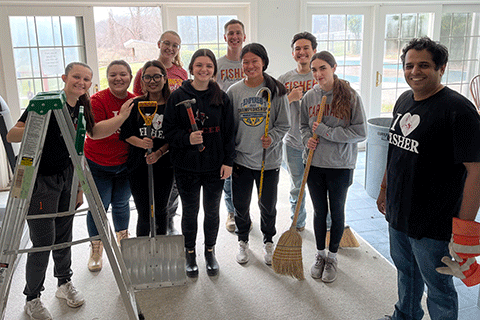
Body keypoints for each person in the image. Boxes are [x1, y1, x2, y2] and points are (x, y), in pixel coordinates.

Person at [7, 61, 133, 320]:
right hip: (41, 180)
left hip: (68, 177)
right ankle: (33, 297)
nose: (82, 82)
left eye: (87, 79)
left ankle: (64, 284)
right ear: (65, 77)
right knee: (43, 241)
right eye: (77, 77)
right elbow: (12, 135)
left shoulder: (84, 105)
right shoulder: (46, 102)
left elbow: (95, 133)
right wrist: (37, 124)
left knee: (64, 235)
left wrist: (120, 118)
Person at [376, 37, 480, 320]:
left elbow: (476, 171)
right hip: (398, 213)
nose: (415, 71)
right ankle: (405, 315)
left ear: (441, 68)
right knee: (406, 273)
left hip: (434, 220)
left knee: (438, 287)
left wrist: (464, 229)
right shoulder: (404, 99)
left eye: (424, 65)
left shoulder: (459, 111)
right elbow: (395, 150)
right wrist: (384, 188)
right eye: (409, 65)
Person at [164, 49, 235, 277]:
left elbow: (229, 133)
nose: (204, 70)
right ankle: (190, 252)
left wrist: (228, 161)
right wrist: (187, 138)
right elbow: (168, 131)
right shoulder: (177, 97)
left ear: (214, 69)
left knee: (212, 211)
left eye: (209, 66)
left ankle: (210, 251)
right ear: (191, 68)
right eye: (199, 65)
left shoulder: (222, 97)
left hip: (215, 166)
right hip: (186, 167)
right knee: (190, 211)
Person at [300, 51, 366, 283]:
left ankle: (333, 256)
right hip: (315, 164)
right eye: (314, 69)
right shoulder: (309, 96)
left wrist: (326, 132)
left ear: (334, 67)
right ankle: (319, 255)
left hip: (340, 165)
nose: (318, 74)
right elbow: (302, 127)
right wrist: (307, 138)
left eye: (323, 68)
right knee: (319, 211)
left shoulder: (350, 96)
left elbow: (360, 132)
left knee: (336, 211)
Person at [227, 43, 290, 265]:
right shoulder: (234, 91)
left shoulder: (277, 90)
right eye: (246, 62)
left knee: (268, 205)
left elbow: (284, 124)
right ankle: (242, 240)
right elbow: (229, 128)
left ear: (263, 62)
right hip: (241, 161)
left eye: (255, 61)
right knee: (241, 205)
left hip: (268, 162)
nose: (250, 65)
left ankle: (268, 241)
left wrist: (271, 137)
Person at [133, 30, 188, 235]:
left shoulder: (181, 72)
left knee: (169, 193)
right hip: (148, 137)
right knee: (145, 203)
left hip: (170, 138)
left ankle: (168, 222)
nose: (170, 48)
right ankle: (150, 227)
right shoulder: (144, 71)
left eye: (175, 45)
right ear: (159, 44)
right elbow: (138, 102)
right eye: (167, 43)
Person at [83, 60, 135, 272]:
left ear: (130, 77)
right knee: (99, 207)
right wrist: (122, 116)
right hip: (99, 164)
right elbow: (94, 132)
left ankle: (123, 240)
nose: (118, 78)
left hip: (125, 164)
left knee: (122, 203)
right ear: (107, 78)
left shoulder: (135, 101)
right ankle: (96, 247)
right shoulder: (97, 100)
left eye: (123, 74)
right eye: (113, 74)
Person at [120, 60, 173, 238]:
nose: (152, 80)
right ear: (142, 81)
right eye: (148, 77)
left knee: (160, 209)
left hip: (165, 166)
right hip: (138, 166)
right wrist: (141, 143)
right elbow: (126, 133)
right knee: (143, 211)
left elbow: (174, 137)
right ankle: (143, 247)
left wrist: (159, 152)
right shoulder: (135, 105)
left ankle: (161, 246)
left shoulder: (172, 105)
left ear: (164, 79)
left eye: (157, 76)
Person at [278, 31, 317, 232]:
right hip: (293, 142)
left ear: (314, 51)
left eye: (306, 48)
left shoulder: (321, 75)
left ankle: (325, 226)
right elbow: (271, 108)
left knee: (321, 190)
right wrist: (289, 98)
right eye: (297, 49)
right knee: (297, 186)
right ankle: (298, 222)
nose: (302, 52)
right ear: (293, 54)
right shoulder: (284, 79)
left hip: (319, 144)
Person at [216, 18, 246, 233]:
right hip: (225, 125)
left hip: (248, 124)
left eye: (238, 33)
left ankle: (244, 210)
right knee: (228, 168)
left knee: (246, 172)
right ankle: (231, 211)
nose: (234, 37)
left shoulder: (250, 62)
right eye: (230, 33)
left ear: (244, 37)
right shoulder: (217, 65)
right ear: (224, 37)